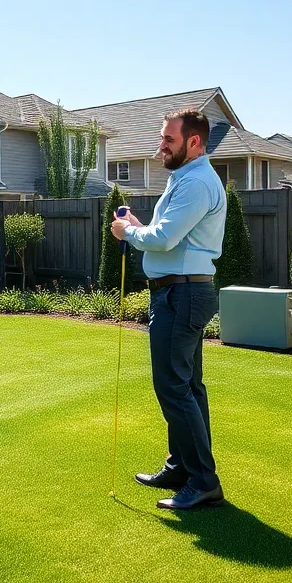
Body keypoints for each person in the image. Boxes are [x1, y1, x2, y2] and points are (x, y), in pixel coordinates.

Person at [110, 108, 226, 510]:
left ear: (194, 142)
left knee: (174, 388)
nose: (161, 146)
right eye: (163, 138)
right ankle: (182, 467)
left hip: (181, 296)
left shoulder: (195, 183)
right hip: (181, 292)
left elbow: (163, 238)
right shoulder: (186, 180)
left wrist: (130, 231)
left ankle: (204, 480)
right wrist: (140, 228)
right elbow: (164, 235)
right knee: (188, 387)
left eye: (169, 140)